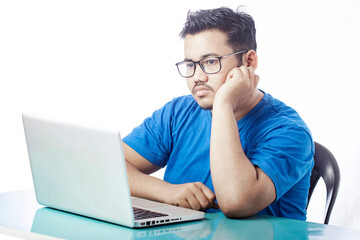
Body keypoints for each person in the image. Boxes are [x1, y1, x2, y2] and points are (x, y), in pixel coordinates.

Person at [122, 6, 314, 221]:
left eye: (210, 62)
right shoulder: (177, 112)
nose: (197, 77)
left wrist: (223, 105)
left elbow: (235, 203)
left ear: (249, 62)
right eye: (190, 64)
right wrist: (165, 192)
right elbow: (108, 166)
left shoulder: (290, 131)